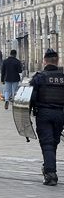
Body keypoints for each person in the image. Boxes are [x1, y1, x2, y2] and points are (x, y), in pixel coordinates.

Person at [29, 48, 64, 186]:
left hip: (44, 114)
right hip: (60, 114)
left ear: (44, 61)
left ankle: (50, 173)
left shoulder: (39, 78)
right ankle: (49, 166)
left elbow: (30, 98)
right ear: (57, 61)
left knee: (47, 143)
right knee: (54, 141)